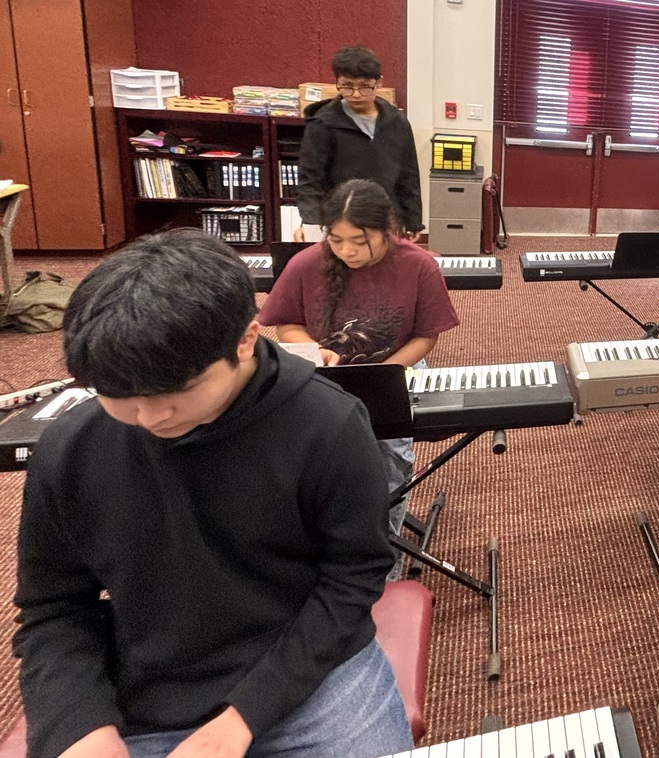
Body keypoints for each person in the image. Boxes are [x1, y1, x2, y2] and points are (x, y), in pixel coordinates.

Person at [12, 228, 412, 758]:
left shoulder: (328, 425)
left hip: (313, 674)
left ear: (245, 340)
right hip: (151, 694)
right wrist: (80, 726)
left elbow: (352, 579)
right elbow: (53, 607)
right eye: (118, 397)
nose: (151, 417)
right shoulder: (69, 447)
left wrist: (242, 720)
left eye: (176, 392)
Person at [260, 179, 459, 577]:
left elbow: (425, 336)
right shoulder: (306, 264)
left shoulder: (418, 265)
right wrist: (314, 351)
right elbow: (287, 325)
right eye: (336, 239)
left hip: (393, 370)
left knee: (388, 468)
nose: (347, 250)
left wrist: (387, 373)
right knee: (308, 464)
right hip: (324, 375)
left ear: (388, 230)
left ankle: (385, 569)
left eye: (360, 240)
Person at [295, 45, 423, 243]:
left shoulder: (397, 122)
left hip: (386, 218)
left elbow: (408, 175)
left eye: (364, 86)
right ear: (337, 82)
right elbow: (310, 181)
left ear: (378, 82)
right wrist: (311, 223)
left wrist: (413, 220)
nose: (355, 94)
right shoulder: (323, 124)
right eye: (347, 86)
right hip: (342, 220)